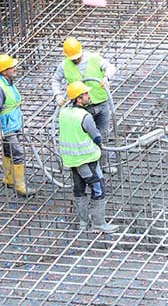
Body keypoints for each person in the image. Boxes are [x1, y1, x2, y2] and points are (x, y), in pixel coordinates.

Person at [58, 81, 118, 234]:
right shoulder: (85, 116)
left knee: (79, 190)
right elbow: (96, 136)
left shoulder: (63, 112)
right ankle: (98, 224)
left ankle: (83, 222)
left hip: (72, 161)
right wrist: (100, 143)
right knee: (98, 188)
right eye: (85, 94)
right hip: (87, 160)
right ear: (79, 99)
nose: (88, 96)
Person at [51, 37, 118, 171]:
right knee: (85, 137)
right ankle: (87, 167)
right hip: (81, 109)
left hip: (101, 103)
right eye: (73, 58)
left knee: (102, 136)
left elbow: (111, 67)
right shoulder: (64, 65)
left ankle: (103, 166)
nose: (76, 60)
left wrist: (106, 77)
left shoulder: (94, 58)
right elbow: (55, 80)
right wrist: (57, 94)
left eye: (77, 57)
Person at [0, 54, 32, 196]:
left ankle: (9, 179)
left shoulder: (7, 81)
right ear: (4, 71)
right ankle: (20, 187)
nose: (14, 68)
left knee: (8, 151)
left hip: (12, 123)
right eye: (11, 67)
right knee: (18, 153)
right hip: (7, 127)